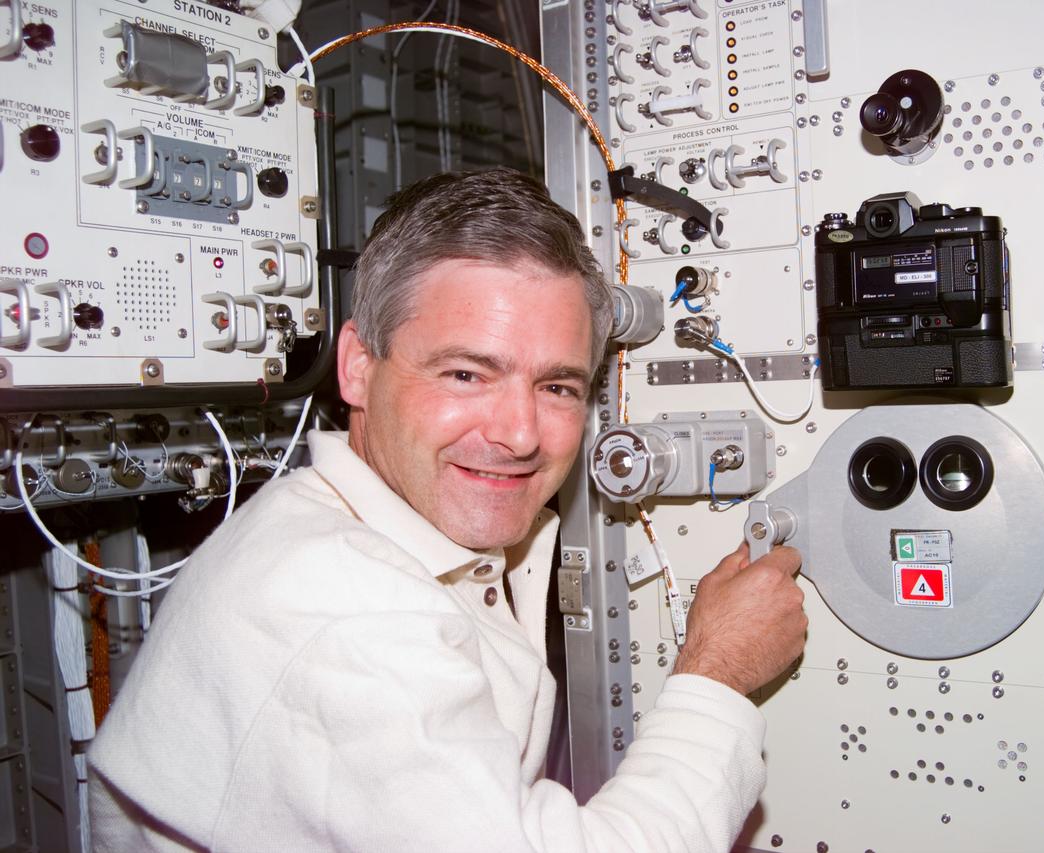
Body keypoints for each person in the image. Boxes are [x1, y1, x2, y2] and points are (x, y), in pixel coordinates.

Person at [89, 168, 807, 851]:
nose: (520, 433)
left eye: (558, 387)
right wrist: (716, 671)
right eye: (466, 374)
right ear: (357, 368)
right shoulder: (344, 616)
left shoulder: (348, 523)